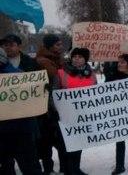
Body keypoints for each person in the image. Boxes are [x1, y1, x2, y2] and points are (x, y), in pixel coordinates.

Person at [0, 34, 43, 175]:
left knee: (29, 161)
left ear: (19, 46)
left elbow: (41, 85)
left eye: (11, 44)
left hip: (24, 122)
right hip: (3, 124)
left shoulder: (30, 63)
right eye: (5, 45)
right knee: (5, 163)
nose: (7, 47)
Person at [58, 47, 97, 175]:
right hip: (66, 115)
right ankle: (68, 170)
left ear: (85, 59)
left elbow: (96, 93)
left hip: (84, 115)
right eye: (74, 56)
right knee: (67, 145)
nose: (77, 59)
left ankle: (75, 168)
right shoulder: (62, 72)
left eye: (80, 57)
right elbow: (54, 94)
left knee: (79, 143)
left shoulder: (91, 74)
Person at [35, 34, 67, 174]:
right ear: (50, 46)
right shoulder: (43, 61)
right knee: (48, 139)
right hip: (47, 108)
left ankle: (63, 167)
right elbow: (58, 76)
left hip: (57, 105)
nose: (60, 47)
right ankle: (48, 168)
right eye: (57, 44)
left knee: (60, 139)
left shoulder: (57, 59)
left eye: (61, 44)